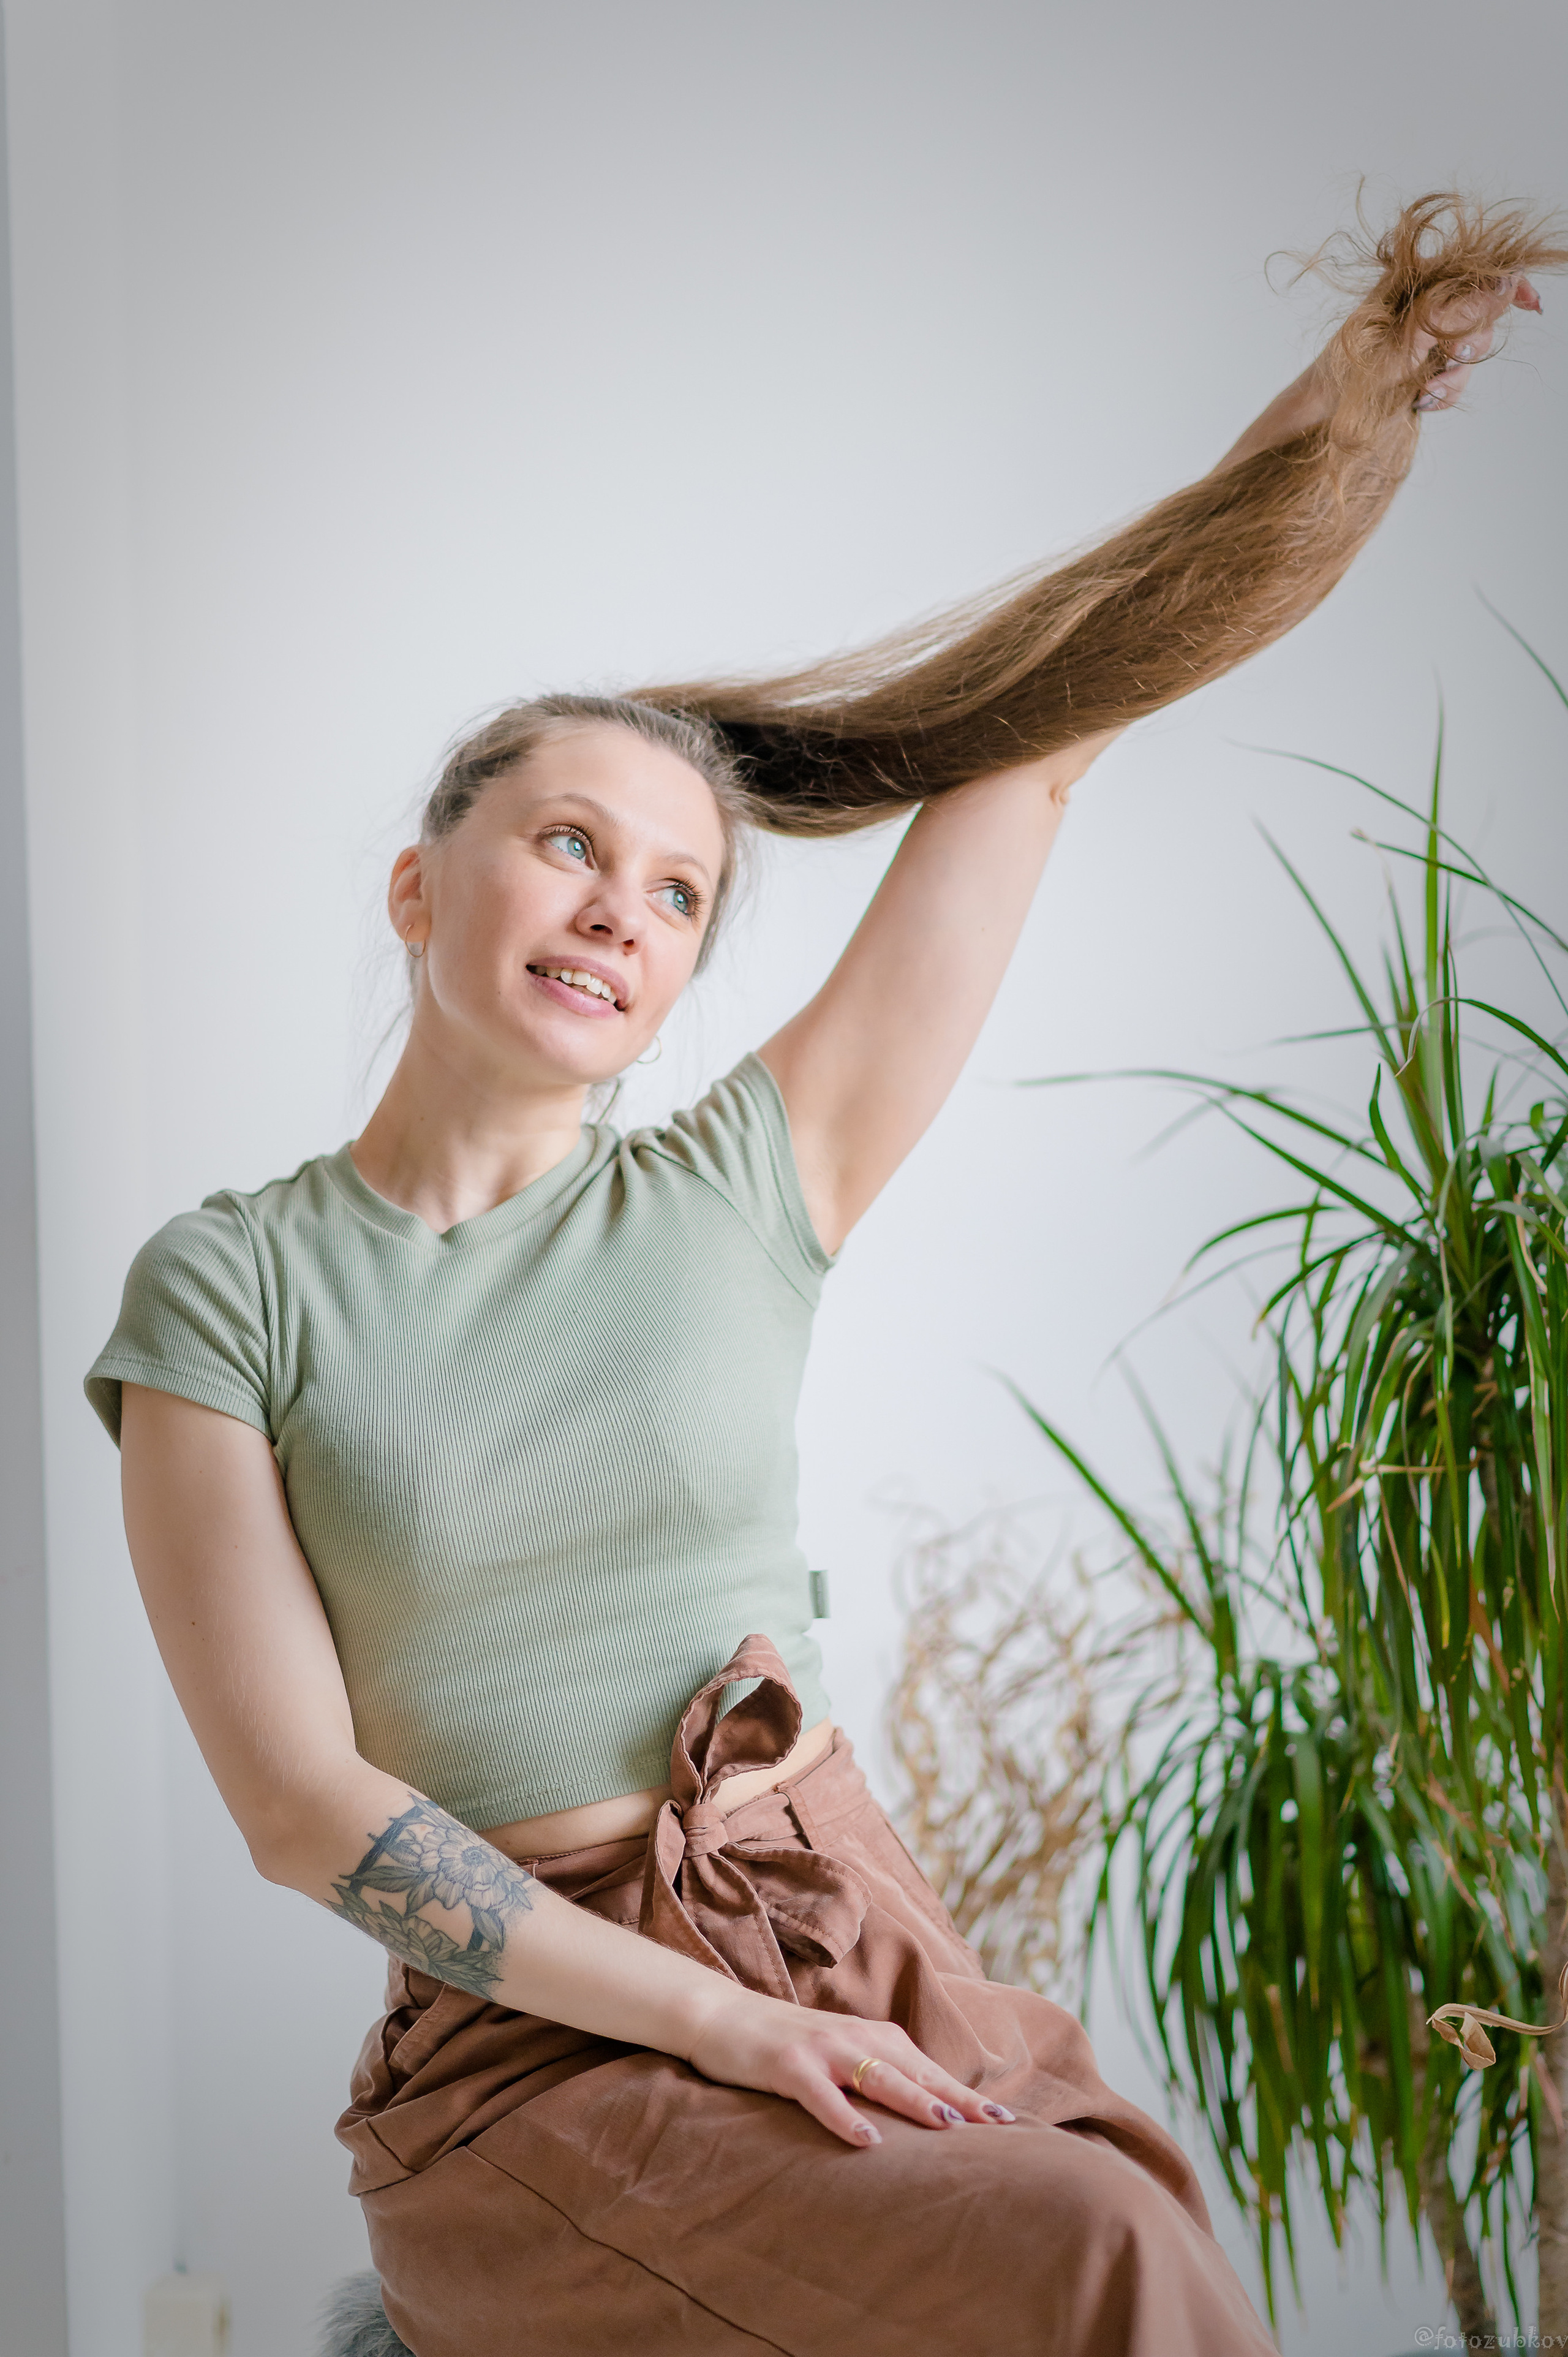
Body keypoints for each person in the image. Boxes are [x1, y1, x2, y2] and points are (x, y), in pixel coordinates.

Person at [86, 197, 1559, 2357]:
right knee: (1101, 2262)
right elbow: (304, 1808)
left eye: (677, 891)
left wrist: (1344, 408)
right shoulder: (233, 1287)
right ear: (423, 883)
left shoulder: (744, 1188)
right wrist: (718, 2029)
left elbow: (1047, 742)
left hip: (850, 1925)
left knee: (1141, 2241)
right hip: (537, 2055)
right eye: (571, 843)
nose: (619, 910)